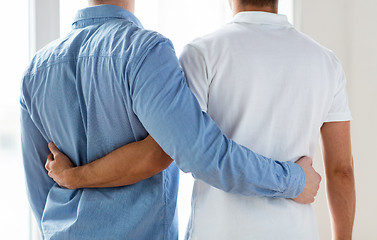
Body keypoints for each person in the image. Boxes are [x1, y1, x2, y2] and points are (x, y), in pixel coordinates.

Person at [44, 0, 355, 239]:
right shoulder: (326, 63)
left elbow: (165, 149)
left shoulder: (202, 52)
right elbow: (342, 171)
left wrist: (77, 176)